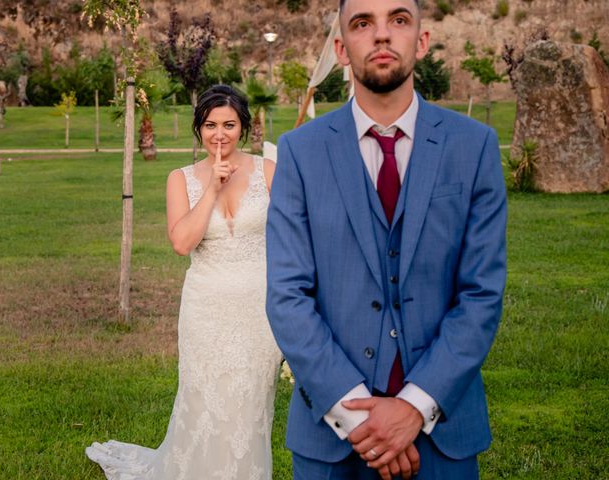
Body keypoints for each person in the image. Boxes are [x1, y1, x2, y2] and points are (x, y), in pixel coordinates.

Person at [265, 0, 507, 479]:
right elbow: (287, 296)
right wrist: (362, 420)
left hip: (443, 435)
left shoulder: (474, 147)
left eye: (398, 20)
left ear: (421, 41)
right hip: (331, 441)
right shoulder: (299, 152)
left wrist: (414, 407)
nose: (381, 35)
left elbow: (481, 293)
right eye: (362, 23)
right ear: (340, 48)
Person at [86, 85, 282, 479]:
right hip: (205, 307)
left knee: (250, 403)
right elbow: (181, 243)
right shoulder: (181, 179)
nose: (219, 134)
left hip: (257, 307)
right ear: (199, 129)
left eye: (229, 124)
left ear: (243, 126)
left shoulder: (268, 170)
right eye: (210, 125)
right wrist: (211, 188)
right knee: (204, 398)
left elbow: (293, 238)